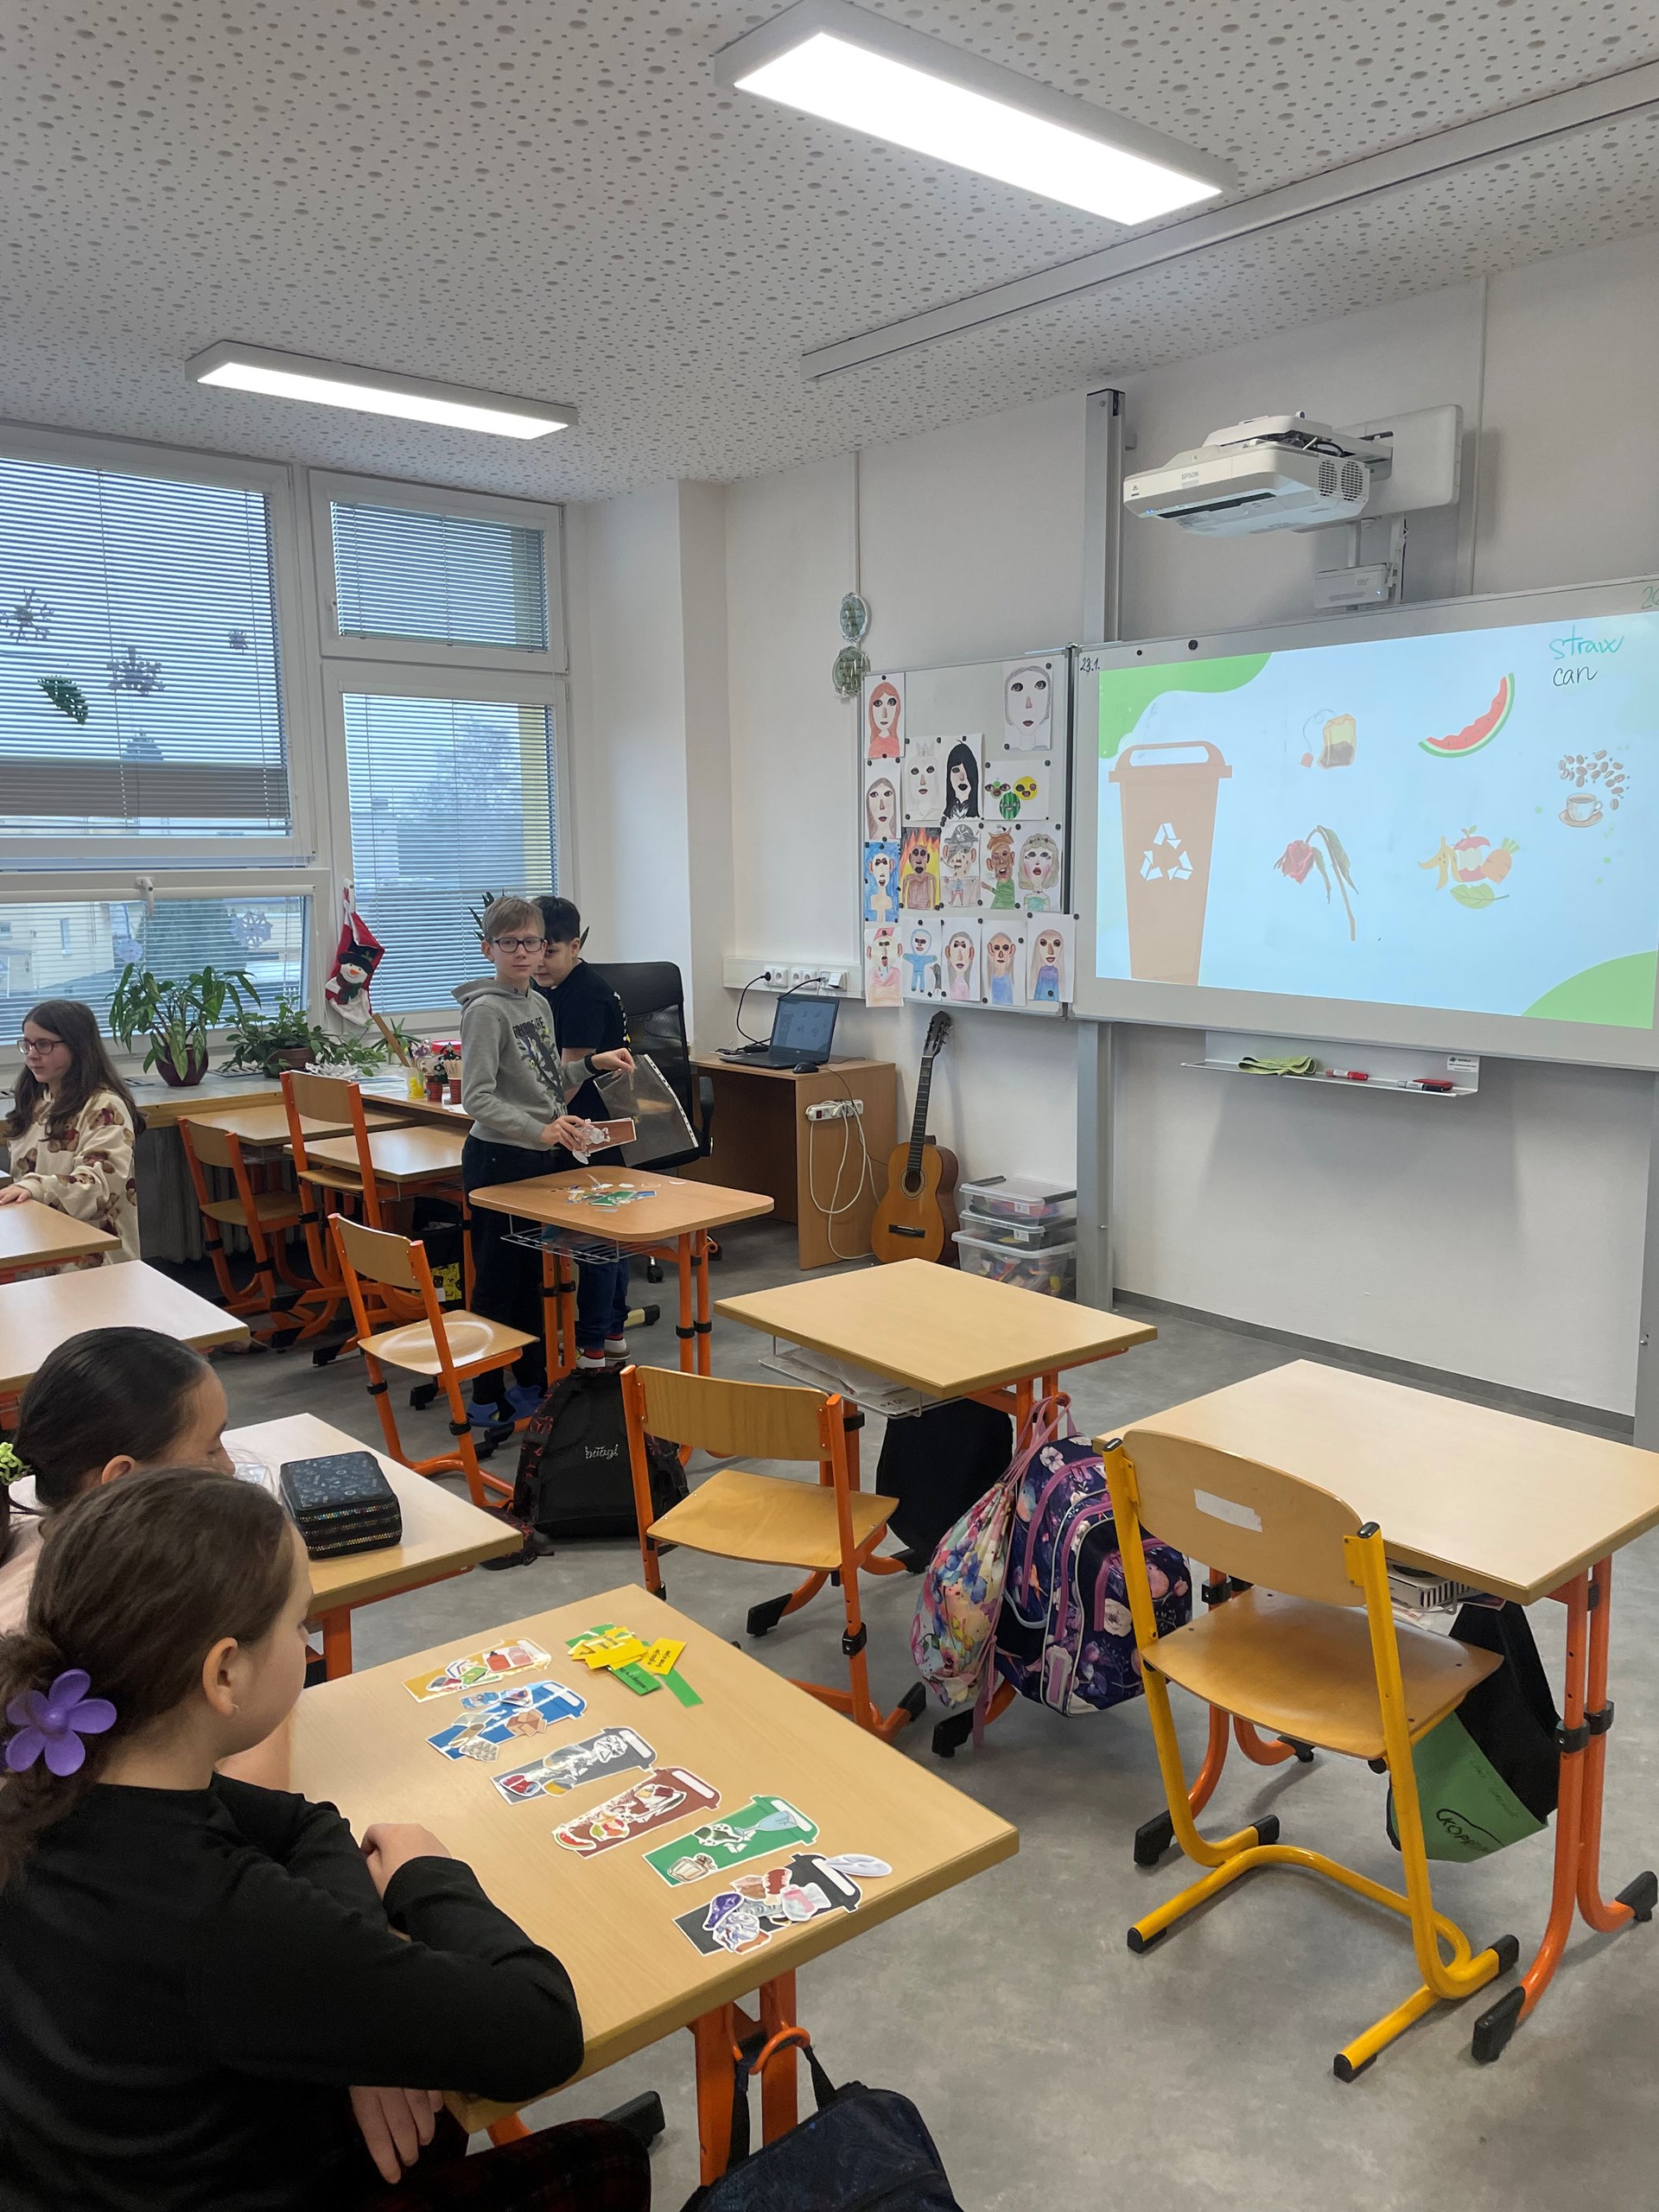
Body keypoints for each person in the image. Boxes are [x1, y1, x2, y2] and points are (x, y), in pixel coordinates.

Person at [0, 1470, 649, 2210]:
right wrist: (425, 1870)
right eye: (299, 1625)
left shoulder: (59, 1778)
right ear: (224, 1673)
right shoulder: (220, 1917)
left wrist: (355, 2007)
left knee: (423, 2118)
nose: (306, 1644)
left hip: (91, 2167)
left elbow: (307, 1823)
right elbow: (542, 2031)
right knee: (604, 2156)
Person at [455, 899, 630, 1418]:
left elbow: (547, 1080)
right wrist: (542, 1128)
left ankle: (531, 1384)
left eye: (531, 942)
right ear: (488, 949)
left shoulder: (539, 1004)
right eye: (508, 943)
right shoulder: (485, 1011)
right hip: (497, 1160)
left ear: (543, 947)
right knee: (497, 1284)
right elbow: (476, 1098)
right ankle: (486, 1395)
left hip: (536, 1160)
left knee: (531, 1278)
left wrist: (592, 1064)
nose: (522, 952)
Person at [0, 1327, 233, 1637]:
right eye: (212, 1450)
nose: (229, 1467)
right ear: (122, 1479)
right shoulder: (77, 1627)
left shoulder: (60, 1537)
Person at [534, 899, 636, 1372]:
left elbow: (567, 1081)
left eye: (550, 951)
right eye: (534, 949)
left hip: (592, 1130)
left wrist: (531, 1117)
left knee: (597, 1239)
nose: (538, 962)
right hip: (581, 1127)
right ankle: (611, 1335)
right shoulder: (553, 988)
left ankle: (595, 1344)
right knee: (605, 1237)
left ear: (575, 946)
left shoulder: (583, 995)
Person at [0, 1000, 143, 1263]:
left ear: (77, 1046)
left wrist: (37, 1187)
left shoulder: (104, 1107)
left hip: (92, 1257)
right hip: (39, 1242)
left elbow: (99, 1186)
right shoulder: (37, 1099)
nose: (31, 1055)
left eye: (44, 1044)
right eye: (27, 1044)